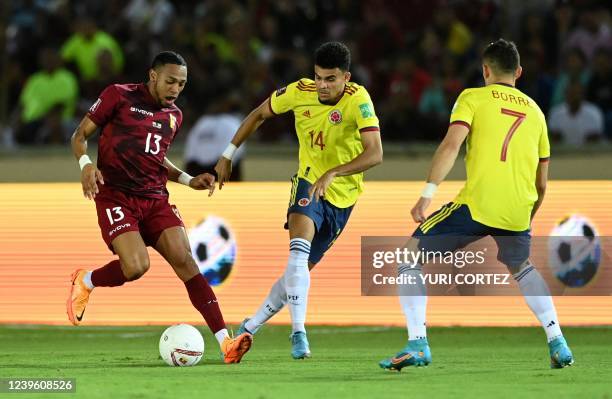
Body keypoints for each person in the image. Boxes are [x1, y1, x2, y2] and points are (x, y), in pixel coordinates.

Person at [379, 39, 574, 371]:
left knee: (407, 257)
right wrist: (528, 216)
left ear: (485, 70)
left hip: (477, 205)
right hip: (517, 209)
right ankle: (558, 341)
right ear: (519, 72)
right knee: (523, 267)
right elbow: (542, 184)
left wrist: (428, 191)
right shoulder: (537, 113)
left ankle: (418, 343)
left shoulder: (472, 97)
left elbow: (451, 144)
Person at [67, 51, 252, 364]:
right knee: (136, 267)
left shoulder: (174, 116)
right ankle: (86, 281)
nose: (176, 89)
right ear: (153, 76)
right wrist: (86, 166)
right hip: (116, 195)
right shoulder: (118, 96)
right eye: (170, 81)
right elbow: (79, 135)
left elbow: (155, 159)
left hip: (155, 198)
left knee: (186, 261)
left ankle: (226, 342)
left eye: (181, 83)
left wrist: (188, 179)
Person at [215, 42, 383, 359]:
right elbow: (259, 113)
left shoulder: (358, 100)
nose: (322, 85)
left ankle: (249, 328)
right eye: (319, 77)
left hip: (343, 198)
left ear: (346, 77)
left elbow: (376, 153)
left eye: (331, 79)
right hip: (307, 181)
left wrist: (334, 173)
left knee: (299, 273)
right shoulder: (298, 91)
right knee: (297, 256)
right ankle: (298, 334)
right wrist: (228, 153)